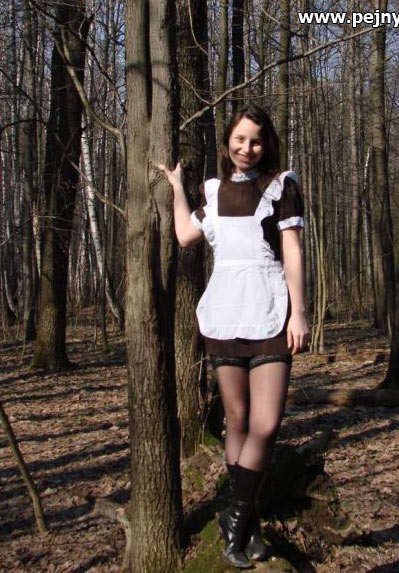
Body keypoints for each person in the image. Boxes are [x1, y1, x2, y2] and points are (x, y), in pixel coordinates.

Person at [159, 104, 309, 569]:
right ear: (228, 142)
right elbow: (184, 235)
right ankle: (249, 528)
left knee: (266, 424)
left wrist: (299, 313)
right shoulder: (214, 191)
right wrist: (177, 188)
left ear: (267, 144)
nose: (247, 148)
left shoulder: (281, 186)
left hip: (270, 313)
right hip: (225, 315)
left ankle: (234, 517)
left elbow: (292, 252)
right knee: (238, 420)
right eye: (240, 139)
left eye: (256, 140)